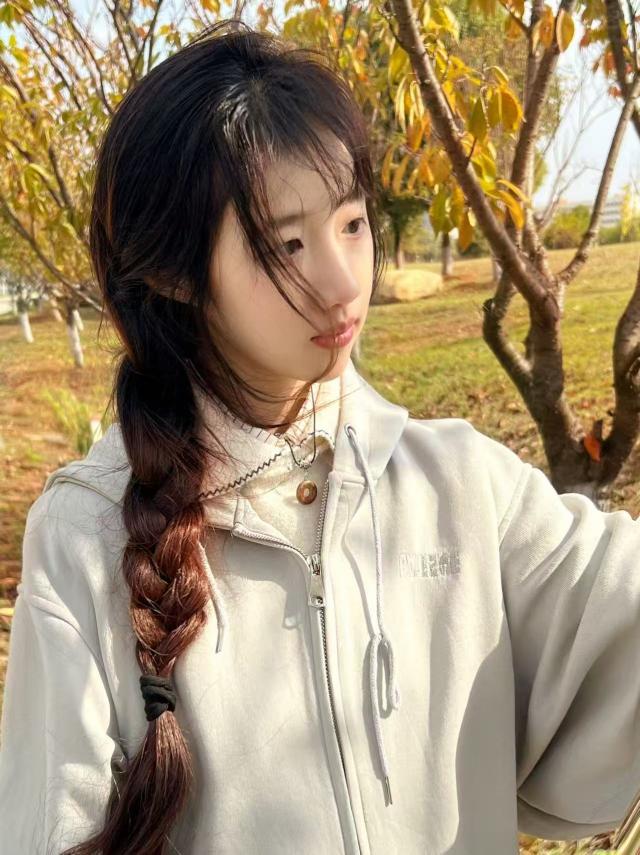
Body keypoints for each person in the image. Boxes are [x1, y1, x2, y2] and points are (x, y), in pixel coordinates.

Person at [1, 18, 639, 855]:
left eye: (352, 223)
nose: (342, 282)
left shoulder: (459, 485)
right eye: (287, 243)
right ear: (175, 273)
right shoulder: (84, 538)